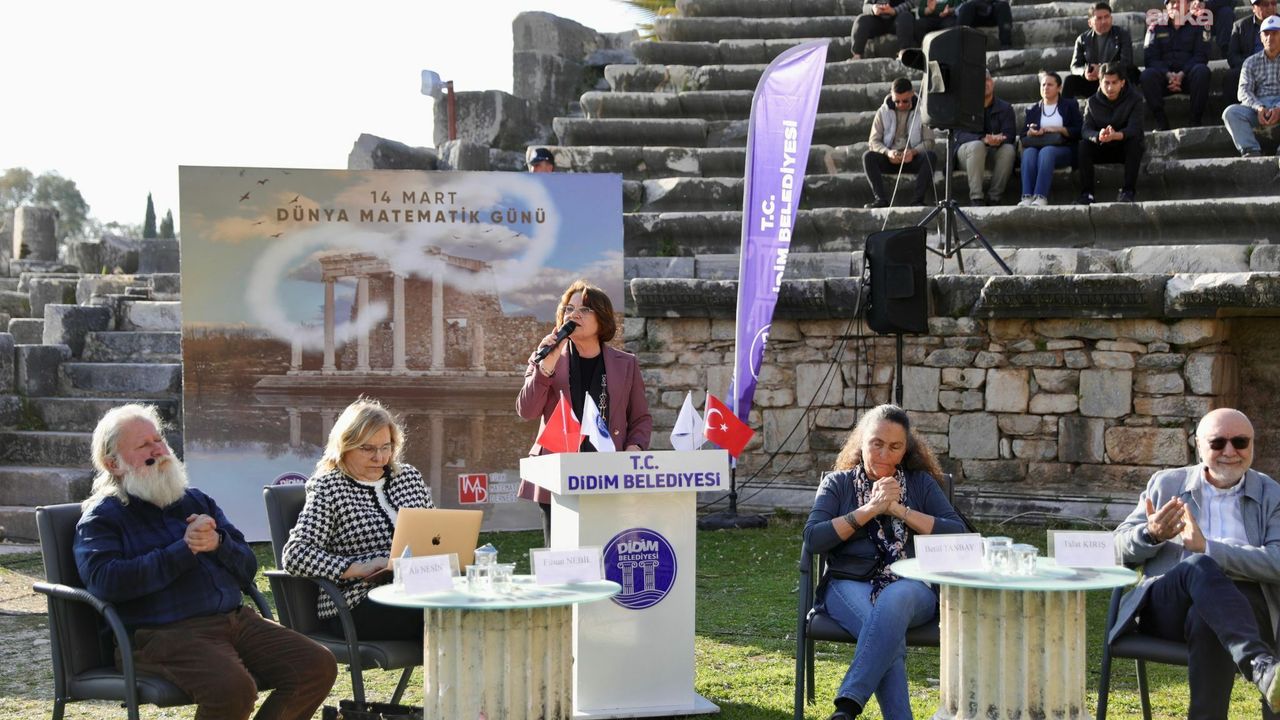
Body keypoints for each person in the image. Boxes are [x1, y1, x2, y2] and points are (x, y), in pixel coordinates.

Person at [74, 404, 336, 720]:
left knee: (316, 665)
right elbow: (106, 582)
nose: (158, 450)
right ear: (112, 464)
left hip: (234, 621)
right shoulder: (102, 517)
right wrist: (184, 550)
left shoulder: (195, 500)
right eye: (144, 445)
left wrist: (218, 544)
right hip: (161, 634)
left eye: (159, 440)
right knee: (232, 688)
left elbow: (247, 567)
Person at [1113, 408, 1280, 719]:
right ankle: (1261, 667)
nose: (1230, 451)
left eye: (1240, 442)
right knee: (1199, 566)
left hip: (1243, 611)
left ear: (1252, 445)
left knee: (1208, 616)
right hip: (1169, 607)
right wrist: (1150, 534)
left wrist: (1209, 547)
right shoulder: (1166, 484)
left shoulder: (1271, 493)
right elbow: (1115, 548)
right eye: (1217, 443)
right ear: (1199, 446)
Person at [803, 405, 966, 720]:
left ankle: (847, 707)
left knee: (894, 600)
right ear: (862, 442)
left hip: (912, 584)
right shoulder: (838, 484)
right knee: (883, 632)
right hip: (847, 583)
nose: (883, 453)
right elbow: (814, 538)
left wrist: (899, 510)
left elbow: (956, 533)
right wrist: (870, 509)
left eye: (894, 446)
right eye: (876, 443)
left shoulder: (920, 483)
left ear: (905, 450)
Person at [282, 397, 433, 640]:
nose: (379, 458)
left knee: (472, 603)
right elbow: (295, 554)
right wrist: (358, 568)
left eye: (386, 447)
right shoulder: (329, 487)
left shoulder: (409, 478)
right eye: (367, 448)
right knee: (442, 613)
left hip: (420, 587)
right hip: (356, 603)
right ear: (345, 446)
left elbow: (435, 535)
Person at [516, 280, 652, 543]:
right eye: (569, 309)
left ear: (602, 319)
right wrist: (545, 368)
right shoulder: (545, 357)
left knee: (606, 552)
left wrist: (634, 447)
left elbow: (640, 418)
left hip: (608, 472)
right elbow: (527, 411)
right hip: (559, 472)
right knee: (562, 556)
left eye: (584, 309)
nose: (574, 314)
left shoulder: (626, 364)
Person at [863, 77, 938, 208]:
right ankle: (880, 199)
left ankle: (917, 200)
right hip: (890, 158)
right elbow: (873, 141)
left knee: (931, 156)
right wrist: (888, 152)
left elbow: (929, 142)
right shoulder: (883, 111)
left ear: (912, 94)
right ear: (891, 96)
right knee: (868, 157)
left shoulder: (923, 111)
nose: (901, 105)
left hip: (912, 158)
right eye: (897, 101)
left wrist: (913, 152)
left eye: (905, 101)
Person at [1079, 63, 1145, 204]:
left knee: (1135, 142)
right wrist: (1098, 135)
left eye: (1114, 83)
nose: (1110, 88)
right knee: (1083, 145)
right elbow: (1085, 130)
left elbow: (1134, 128)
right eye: (1106, 83)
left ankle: (1128, 191)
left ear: (1122, 83)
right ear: (1100, 82)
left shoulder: (1135, 99)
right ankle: (1087, 194)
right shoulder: (1092, 102)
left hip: (1124, 147)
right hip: (1102, 146)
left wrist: (1117, 135)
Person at [1141, 0, 1212, 129]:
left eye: (1179, 2)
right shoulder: (1155, 26)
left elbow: (1202, 55)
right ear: (1166, 6)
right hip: (1164, 79)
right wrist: (1168, 74)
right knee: (1147, 75)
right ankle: (1161, 123)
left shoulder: (1200, 24)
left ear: (1188, 5)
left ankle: (1195, 121)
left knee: (1202, 71)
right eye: (1172, 2)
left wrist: (1182, 74)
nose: (1175, 5)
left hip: (1189, 78)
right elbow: (1150, 58)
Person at [1018, 71, 1084, 206]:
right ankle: (1027, 196)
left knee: (1047, 151)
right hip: (1037, 146)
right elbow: (1023, 135)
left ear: (1059, 88)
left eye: (1050, 85)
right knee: (1028, 153)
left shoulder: (1070, 105)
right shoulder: (1033, 109)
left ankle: (1040, 196)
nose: (1045, 88)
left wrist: (1059, 129)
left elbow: (1079, 130)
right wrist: (1031, 132)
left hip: (1064, 149)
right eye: (1043, 85)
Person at [954, 69, 1016, 206]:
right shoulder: (964, 108)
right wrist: (983, 139)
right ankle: (976, 198)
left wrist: (998, 139)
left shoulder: (1005, 108)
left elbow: (1010, 135)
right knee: (977, 145)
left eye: (987, 80)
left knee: (1008, 149)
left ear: (992, 83)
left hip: (993, 153)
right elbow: (958, 135)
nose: (984, 84)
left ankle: (995, 198)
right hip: (967, 155)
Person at [1223, 14, 1280, 157]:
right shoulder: (1250, 62)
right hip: (1258, 106)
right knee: (1231, 112)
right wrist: (1259, 107)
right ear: (1260, 37)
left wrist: (1278, 107)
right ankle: (1250, 150)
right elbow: (1243, 91)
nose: (1270, 38)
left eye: (1275, 33)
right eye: (1266, 34)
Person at [1064, 3, 1136, 99]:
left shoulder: (1122, 35)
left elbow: (1127, 62)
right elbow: (1074, 67)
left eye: (1107, 17)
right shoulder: (1082, 39)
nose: (1104, 21)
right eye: (1099, 18)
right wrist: (1085, 72)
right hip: (1093, 81)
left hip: (1115, 80)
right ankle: (1063, 108)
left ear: (1111, 18)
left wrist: (1102, 69)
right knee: (1070, 81)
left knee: (1131, 74)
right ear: (1090, 23)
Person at [1228, 0, 1278, 97]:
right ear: (1253, 8)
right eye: (1265, 4)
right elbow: (1232, 56)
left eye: (1273, 3)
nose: (1270, 7)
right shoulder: (1240, 26)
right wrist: (1250, 66)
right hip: (1251, 68)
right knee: (1231, 75)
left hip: (1276, 67)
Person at [851, 0, 916, 60]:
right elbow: (865, 7)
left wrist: (894, 10)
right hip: (877, 20)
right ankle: (857, 55)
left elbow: (911, 3)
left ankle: (904, 52)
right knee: (861, 20)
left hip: (897, 18)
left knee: (906, 17)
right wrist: (873, 8)